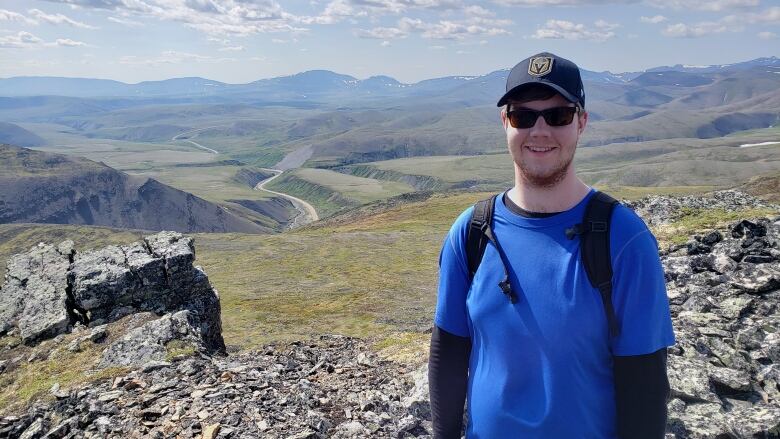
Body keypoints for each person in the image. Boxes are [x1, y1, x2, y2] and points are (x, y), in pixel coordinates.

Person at [428, 52, 676, 439]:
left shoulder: (623, 239)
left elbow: (644, 384)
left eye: (557, 115)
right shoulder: (472, 231)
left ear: (582, 122)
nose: (539, 131)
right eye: (523, 116)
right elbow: (449, 350)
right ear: (505, 122)